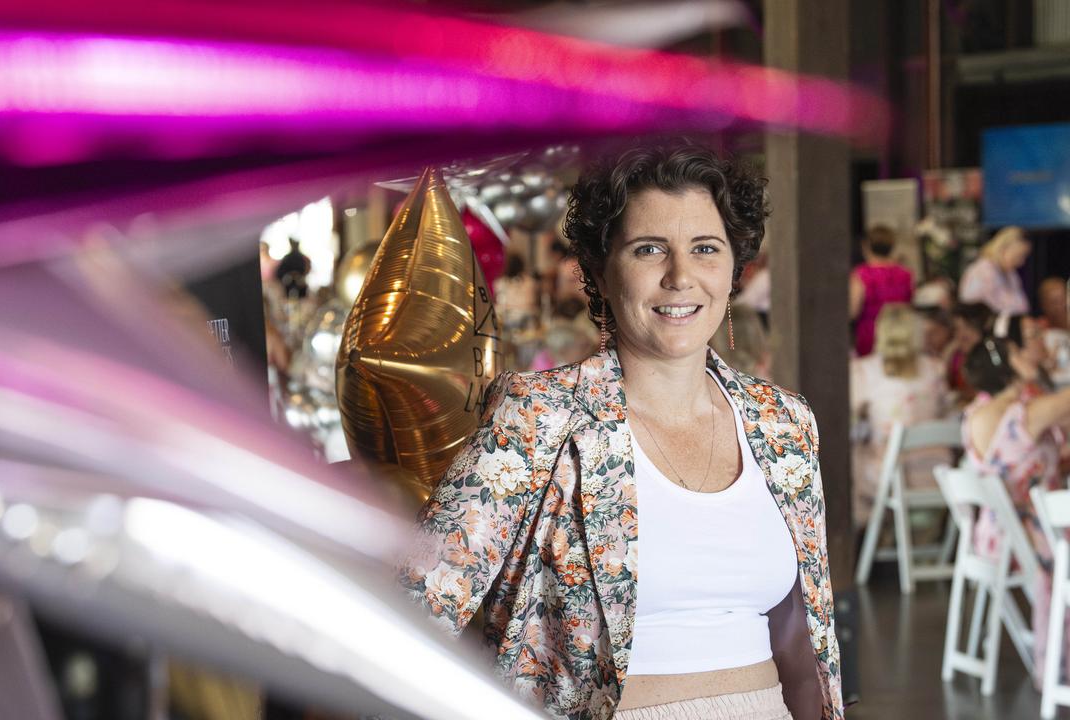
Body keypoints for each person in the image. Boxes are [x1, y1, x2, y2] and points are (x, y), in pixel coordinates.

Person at [399, 143, 841, 719]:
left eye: (705, 249)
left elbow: (801, 644)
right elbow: (412, 606)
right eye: (649, 249)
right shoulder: (540, 418)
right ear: (600, 273)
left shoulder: (782, 423)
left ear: (734, 269)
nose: (681, 276)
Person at [962, 313, 1070, 688]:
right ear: (1008, 366)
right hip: (1030, 533)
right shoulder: (1023, 413)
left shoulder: (977, 412)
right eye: (1018, 351)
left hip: (997, 531)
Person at [849, 304, 949, 527]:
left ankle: (867, 535)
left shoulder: (863, 371)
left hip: (889, 480)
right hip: (935, 475)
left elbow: (850, 420)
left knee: (851, 456)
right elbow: (944, 412)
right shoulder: (935, 369)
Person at [849, 225, 914, 357]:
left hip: (871, 335)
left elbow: (853, 311)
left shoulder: (861, 274)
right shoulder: (905, 273)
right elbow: (910, 305)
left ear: (866, 246)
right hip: (900, 335)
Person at [958, 226, 1031, 315]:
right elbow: (970, 307)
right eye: (1019, 256)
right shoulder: (980, 272)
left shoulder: (1011, 274)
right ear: (1003, 249)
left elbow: (1022, 306)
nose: (1021, 262)